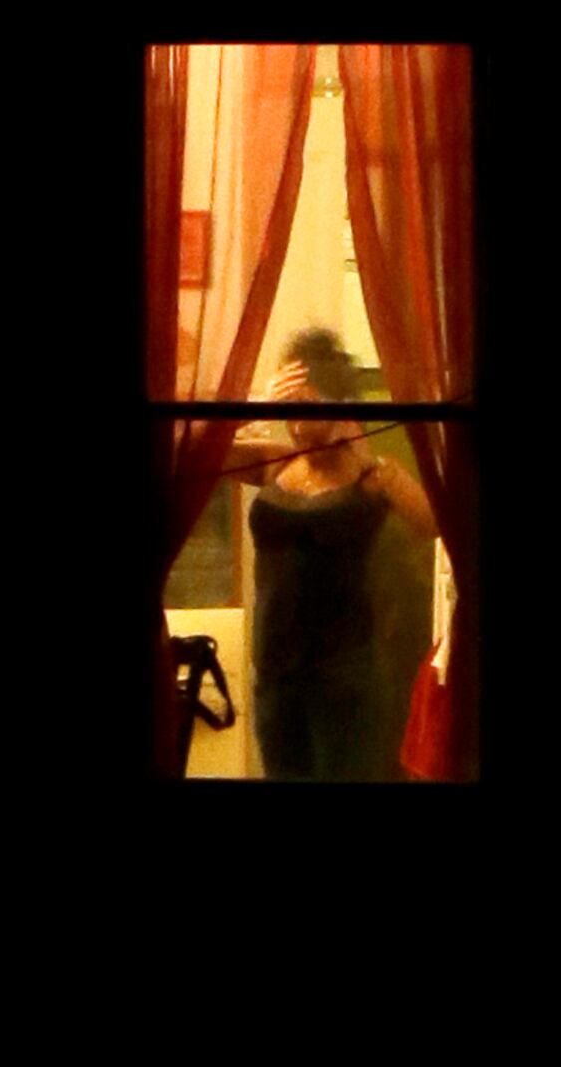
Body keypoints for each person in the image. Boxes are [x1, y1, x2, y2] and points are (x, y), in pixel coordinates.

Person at [242, 325, 435, 782]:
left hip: (345, 680)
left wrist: (370, 462)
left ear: (337, 405)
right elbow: (195, 451)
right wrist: (255, 406)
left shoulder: (370, 475)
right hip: (275, 674)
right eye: (288, 407)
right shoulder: (278, 461)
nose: (294, 420)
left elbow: (432, 523)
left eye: (304, 406)